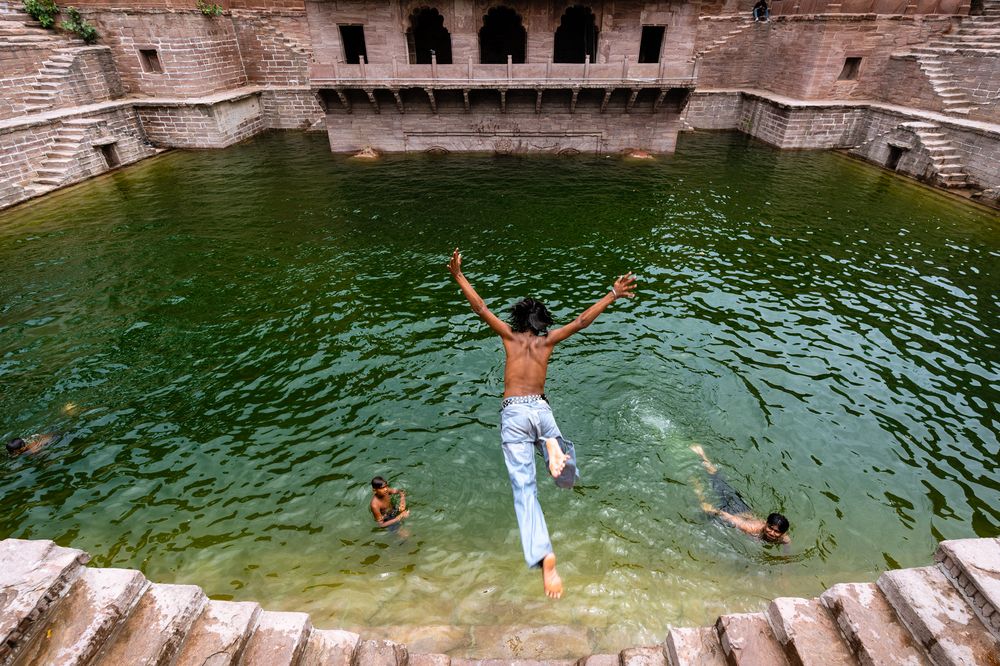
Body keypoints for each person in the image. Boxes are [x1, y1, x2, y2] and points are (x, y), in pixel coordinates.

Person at [447, 248, 637, 599]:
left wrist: (459, 276)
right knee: (567, 479)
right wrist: (612, 293)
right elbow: (581, 321)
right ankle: (553, 448)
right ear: (542, 323)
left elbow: (480, 308)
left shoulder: (509, 337)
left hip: (515, 414)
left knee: (525, 490)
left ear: (519, 321)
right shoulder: (548, 341)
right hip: (541, 409)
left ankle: (544, 555)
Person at [691, 444, 790, 544]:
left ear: (782, 533)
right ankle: (701, 461)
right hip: (733, 512)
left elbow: (788, 544)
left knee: (721, 485)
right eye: (770, 528)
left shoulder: (784, 538)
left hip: (745, 511)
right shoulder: (750, 528)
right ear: (766, 524)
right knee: (716, 488)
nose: (772, 533)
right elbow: (730, 518)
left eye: (777, 531)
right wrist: (713, 510)